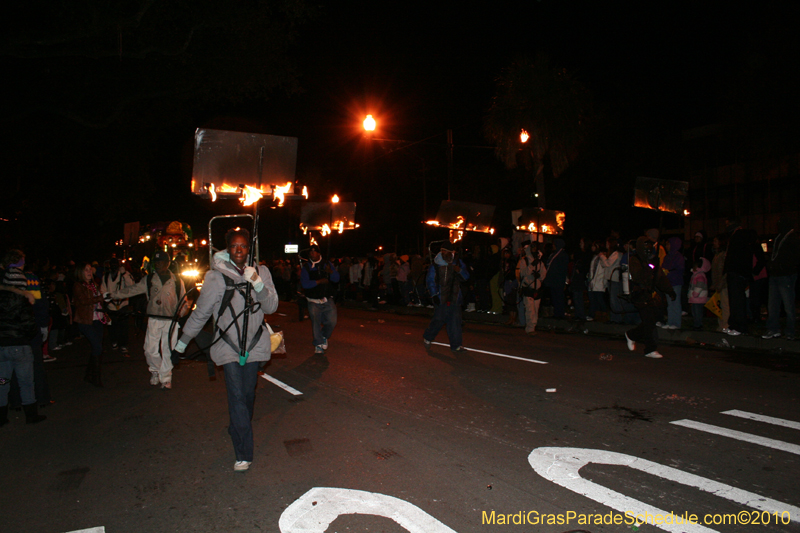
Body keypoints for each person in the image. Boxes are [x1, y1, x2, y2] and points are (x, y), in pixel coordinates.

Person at [175, 228, 278, 472]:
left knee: (248, 396)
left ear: (250, 249)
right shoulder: (215, 277)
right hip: (228, 346)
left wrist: (258, 284)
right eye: (234, 246)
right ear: (227, 249)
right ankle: (243, 452)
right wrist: (180, 343)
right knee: (236, 397)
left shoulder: (261, 271)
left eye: (243, 246)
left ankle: (238, 426)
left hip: (253, 345)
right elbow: (201, 313)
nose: (239, 250)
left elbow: (272, 306)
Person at [109, 251, 186, 388]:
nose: (158, 265)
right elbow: (131, 290)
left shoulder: (176, 281)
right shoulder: (149, 280)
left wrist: (181, 313)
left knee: (168, 349)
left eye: (161, 262)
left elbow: (183, 301)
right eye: (156, 263)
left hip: (170, 321)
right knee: (150, 350)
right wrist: (113, 295)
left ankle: (166, 378)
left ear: (167, 263)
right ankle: (155, 371)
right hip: (154, 319)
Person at [0, 282, 47, 425]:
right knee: (26, 382)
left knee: (2, 382)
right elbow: (29, 324)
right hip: (19, 345)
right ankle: (31, 415)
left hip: (2, 345)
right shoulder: (21, 301)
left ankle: (1, 417)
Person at [624, 236, 676, 359]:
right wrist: (649, 267)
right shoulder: (634, 260)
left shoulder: (652, 260)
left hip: (649, 294)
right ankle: (650, 349)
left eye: (649, 247)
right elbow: (638, 276)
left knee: (652, 319)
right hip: (639, 293)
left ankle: (632, 335)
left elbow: (660, 277)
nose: (648, 250)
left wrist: (669, 290)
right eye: (645, 247)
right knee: (648, 320)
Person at [423, 244, 470, 351]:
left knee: (455, 322)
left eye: (449, 251)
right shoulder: (436, 264)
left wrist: (460, 271)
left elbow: (466, 277)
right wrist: (434, 295)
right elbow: (430, 280)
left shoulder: (457, 263)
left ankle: (456, 345)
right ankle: (428, 337)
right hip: (441, 297)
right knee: (438, 320)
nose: (447, 253)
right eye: (444, 251)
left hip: (454, 297)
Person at [72, 262, 108, 387]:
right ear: (80, 272)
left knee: (97, 347)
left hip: (97, 319)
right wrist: (100, 298)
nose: (89, 272)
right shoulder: (78, 286)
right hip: (85, 320)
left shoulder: (94, 285)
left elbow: (99, 302)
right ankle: (95, 378)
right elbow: (83, 301)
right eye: (86, 270)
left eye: (90, 269)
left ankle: (89, 375)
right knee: (97, 347)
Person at [763, 218, 800, 340]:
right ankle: (773, 329)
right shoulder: (779, 237)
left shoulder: (793, 238)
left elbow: (794, 258)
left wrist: (783, 267)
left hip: (785, 275)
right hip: (776, 274)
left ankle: (790, 331)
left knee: (788, 304)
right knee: (773, 304)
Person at [300, 245, 340, 354]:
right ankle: (318, 344)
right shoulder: (307, 267)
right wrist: (318, 282)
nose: (312, 254)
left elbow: (336, 279)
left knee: (332, 322)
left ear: (319, 253)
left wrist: (331, 272)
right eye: (311, 252)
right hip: (313, 301)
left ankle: (324, 336)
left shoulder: (326, 264)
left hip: (327, 299)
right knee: (315, 324)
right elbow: (305, 283)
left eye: (314, 251)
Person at [101, 258, 135, 355]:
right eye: (112, 264)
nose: (114, 266)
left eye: (116, 264)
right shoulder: (106, 276)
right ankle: (114, 341)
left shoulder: (125, 275)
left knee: (123, 326)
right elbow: (103, 289)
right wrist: (107, 299)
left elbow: (131, 285)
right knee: (112, 326)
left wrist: (124, 274)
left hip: (123, 305)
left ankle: (123, 344)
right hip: (111, 305)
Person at [517, 241, 547, 336]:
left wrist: (539, 276)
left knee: (535, 309)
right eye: (532, 247)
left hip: (537, 288)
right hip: (528, 288)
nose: (534, 249)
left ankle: (533, 326)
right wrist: (532, 265)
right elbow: (523, 273)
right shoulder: (524, 261)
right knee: (530, 310)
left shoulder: (540, 262)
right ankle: (530, 328)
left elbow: (544, 274)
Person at [660, 236, 685, 330]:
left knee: (675, 303)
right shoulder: (667, 256)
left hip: (676, 283)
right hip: (668, 283)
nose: (666, 245)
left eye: (668, 243)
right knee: (670, 303)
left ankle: (676, 323)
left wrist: (669, 273)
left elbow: (679, 269)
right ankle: (670, 322)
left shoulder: (678, 256)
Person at [543, 238, 568, 318]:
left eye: (554, 244)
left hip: (558, 280)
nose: (552, 246)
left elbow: (562, 269)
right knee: (554, 297)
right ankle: (557, 313)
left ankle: (560, 314)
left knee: (559, 297)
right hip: (553, 280)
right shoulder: (553, 254)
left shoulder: (562, 255)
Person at [688, 258, 711, 330]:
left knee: (697, 312)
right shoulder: (696, 275)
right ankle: (696, 324)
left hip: (698, 298)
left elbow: (699, 285)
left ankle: (698, 325)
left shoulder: (699, 275)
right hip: (696, 298)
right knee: (695, 312)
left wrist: (695, 294)